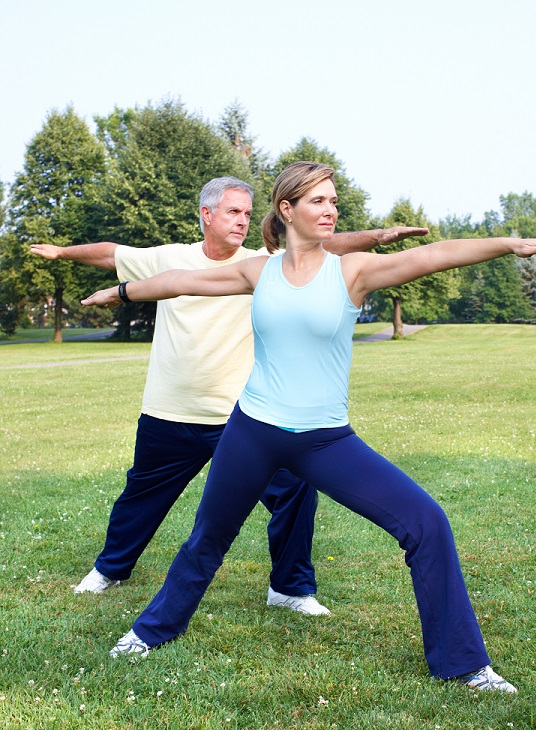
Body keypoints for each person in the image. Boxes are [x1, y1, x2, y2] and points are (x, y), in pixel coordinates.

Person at [81, 161, 536, 689]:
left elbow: (434, 255)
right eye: (317, 201)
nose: (331, 210)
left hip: (324, 439)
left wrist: (508, 244)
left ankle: (464, 664)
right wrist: (124, 293)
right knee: (207, 538)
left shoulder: (352, 269)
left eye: (333, 201)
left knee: (427, 523)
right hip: (252, 431)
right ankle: (151, 631)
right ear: (287, 209)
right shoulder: (259, 271)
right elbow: (184, 281)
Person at [32, 176, 426, 615]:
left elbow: (324, 243)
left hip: (246, 420)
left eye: (247, 212)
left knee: (295, 493)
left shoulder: (264, 261)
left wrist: (379, 237)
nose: (243, 220)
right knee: (141, 495)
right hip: (171, 409)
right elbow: (110, 254)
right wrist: (62, 252)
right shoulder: (168, 258)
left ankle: (291, 588)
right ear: (207, 214)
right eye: (233, 212)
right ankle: (111, 568)